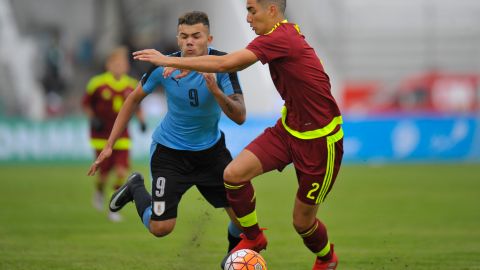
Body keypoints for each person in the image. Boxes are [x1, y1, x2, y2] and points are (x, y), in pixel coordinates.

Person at [132, 1, 344, 269]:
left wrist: (165, 59)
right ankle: (254, 238)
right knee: (232, 175)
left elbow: (225, 63)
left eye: (252, 10)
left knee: (303, 223)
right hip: (288, 129)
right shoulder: (277, 36)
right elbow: (221, 61)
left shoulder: (281, 37)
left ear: (272, 10)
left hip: (320, 141)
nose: (247, 18)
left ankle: (327, 259)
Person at [87, 11, 246, 253]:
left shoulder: (223, 65)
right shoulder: (164, 66)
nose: (189, 41)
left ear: (209, 39)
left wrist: (215, 90)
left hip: (211, 153)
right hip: (170, 154)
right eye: (184, 36)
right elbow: (132, 100)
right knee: (161, 228)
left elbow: (240, 115)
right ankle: (135, 188)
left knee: (243, 219)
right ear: (178, 39)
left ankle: (233, 260)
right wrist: (109, 145)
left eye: (196, 36)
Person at [82, 46, 147, 222]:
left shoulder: (132, 85)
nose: (119, 66)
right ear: (108, 65)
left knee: (121, 172)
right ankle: (99, 191)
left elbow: (137, 106)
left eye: (122, 63)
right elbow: (86, 104)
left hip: (122, 136)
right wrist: (93, 118)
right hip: (101, 136)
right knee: (103, 175)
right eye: (116, 63)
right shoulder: (97, 83)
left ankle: (113, 207)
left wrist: (141, 120)